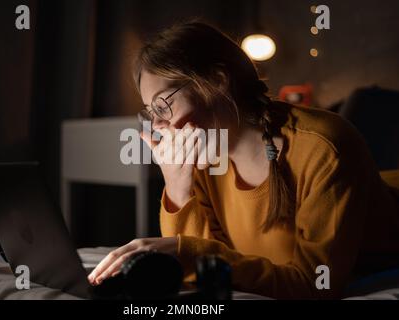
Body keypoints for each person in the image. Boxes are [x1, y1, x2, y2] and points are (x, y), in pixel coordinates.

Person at [88, 21, 399, 299]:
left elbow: (314, 284)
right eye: (149, 112)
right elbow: (207, 266)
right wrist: (177, 188)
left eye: (162, 105)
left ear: (218, 81)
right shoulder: (206, 153)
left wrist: (190, 253)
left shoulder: (325, 147)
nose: (155, 126)